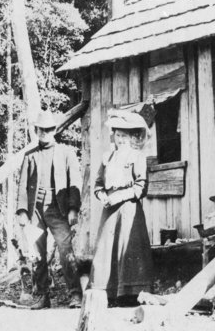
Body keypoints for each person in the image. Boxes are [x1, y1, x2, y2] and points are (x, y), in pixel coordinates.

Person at [15, 110, 83, 309]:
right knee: (38, 253)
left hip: (58, 208)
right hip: (35, 209)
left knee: (65, 249)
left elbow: (75, 182)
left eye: (49, 129)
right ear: (36, 130)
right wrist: (22, 212)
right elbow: (22, 185)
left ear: (55, 130)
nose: (45, 133)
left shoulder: (66, 152)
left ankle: (75, 294)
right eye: (41, 130)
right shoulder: (29, 156)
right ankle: (42, 295)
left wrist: (73, 209)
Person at [89, 109, 154, 305]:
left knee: (129, 249)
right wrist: (102, 196)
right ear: (114, 137)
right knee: (106, 249)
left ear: (132, 137)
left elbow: (141, 187)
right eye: (118, 136)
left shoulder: (137, 157)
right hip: (110, 210)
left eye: (125, 136)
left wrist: (121, 196)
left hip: (128, 209)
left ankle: (130, 293)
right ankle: (106, 293)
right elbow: (98, 184)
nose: (122, 140)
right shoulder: (107, 157)